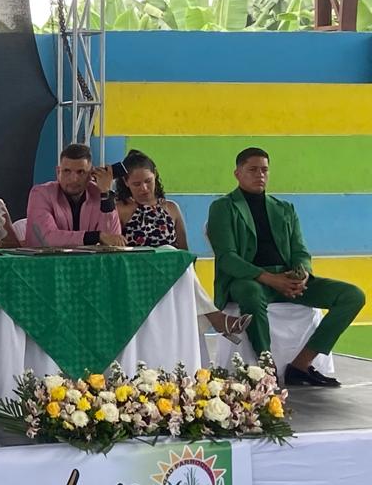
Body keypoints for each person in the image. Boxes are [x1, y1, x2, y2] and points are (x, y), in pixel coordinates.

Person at [207, 147, 365, 387]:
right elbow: (227, 257)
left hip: (286, 278)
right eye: (253, 170)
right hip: (248, 279)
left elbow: (300, 251)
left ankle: (301, 365)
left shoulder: (284, 208)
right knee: (250, 293)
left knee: (352, 296)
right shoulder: (223, 207)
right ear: (237, 174)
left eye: (264, 170)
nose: (260, 175)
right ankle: (266, 368)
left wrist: (301, 275)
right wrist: (270, 278)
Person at [114, 149, 251, 342]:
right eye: (137, 184)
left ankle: (216, 321)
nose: (144, 188)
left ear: (155, 177)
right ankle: (217, 319)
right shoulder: (121, 209)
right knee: (169, 251)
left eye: (148, 181)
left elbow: (185, 252)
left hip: (172, 272)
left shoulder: (171, 208)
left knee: (177, 257)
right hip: (138, 272)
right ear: (126, 182)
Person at [25, 142, 125, 247]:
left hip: (89, 258)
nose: (74, 179)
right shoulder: (40, 194)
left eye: (81, 172)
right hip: (48, 258)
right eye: (67, 171)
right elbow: (47, 238)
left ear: (91, 174)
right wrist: (96, 237)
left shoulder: (100, 194)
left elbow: (113, 240)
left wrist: (106, 194)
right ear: (58, 172)